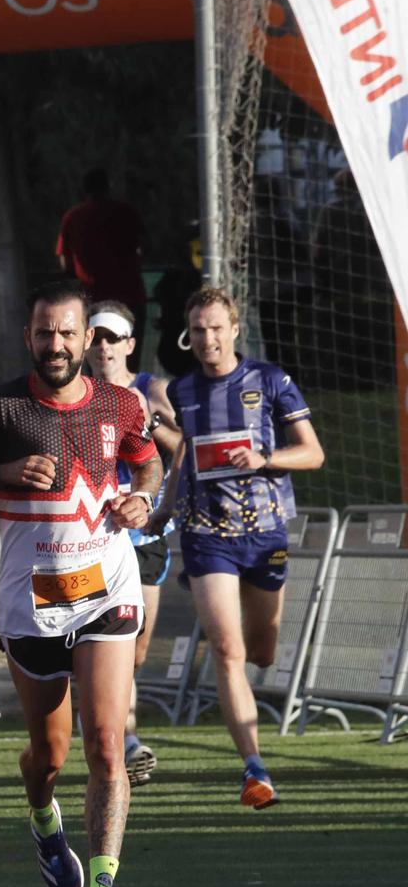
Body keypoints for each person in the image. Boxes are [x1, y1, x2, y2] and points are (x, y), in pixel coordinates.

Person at [0, 279, 161, 887]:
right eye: (43, 333)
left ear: (87, 339)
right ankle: (42, 814)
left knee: (107, 744)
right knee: (49, 756)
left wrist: (143, 499)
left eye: (67, 332)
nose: (55, 345)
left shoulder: (121, 403)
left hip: (108, 592)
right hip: (33, 608)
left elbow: (149, 463)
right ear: (28, 337)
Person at [156, 286, 325, 810]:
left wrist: (265, 458)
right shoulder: (181, 391)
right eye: (198, 330)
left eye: (215, 328)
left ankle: (255, 698)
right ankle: (254, 769)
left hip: (265, 531)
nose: (207, 338)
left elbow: (313, 453)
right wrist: (162, 508)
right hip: (206, 534)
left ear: (233, 331)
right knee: (227, 652)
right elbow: (184, 456)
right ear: (189, 336)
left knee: (261, 651)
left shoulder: (269, 380)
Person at [84, 301, 182, 786]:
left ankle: (113, 730)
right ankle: (124, 742)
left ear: (129, 344)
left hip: (146, 535)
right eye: (95, 337)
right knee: (108, 643)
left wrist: (148, 424)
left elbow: (180, 447)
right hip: (93, 539)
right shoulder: (75, 392)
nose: (102, 347)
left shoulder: (150, 390)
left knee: (137, 651)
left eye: (111, 338)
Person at [55, 168, 146, 365]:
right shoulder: (126, 212)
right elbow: (143, 248)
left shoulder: (74, 217)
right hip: (128, 295)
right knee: (129, 358)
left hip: (91, 298)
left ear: (84, 189)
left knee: (92, 359)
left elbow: (64, 260)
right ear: (108, 186)